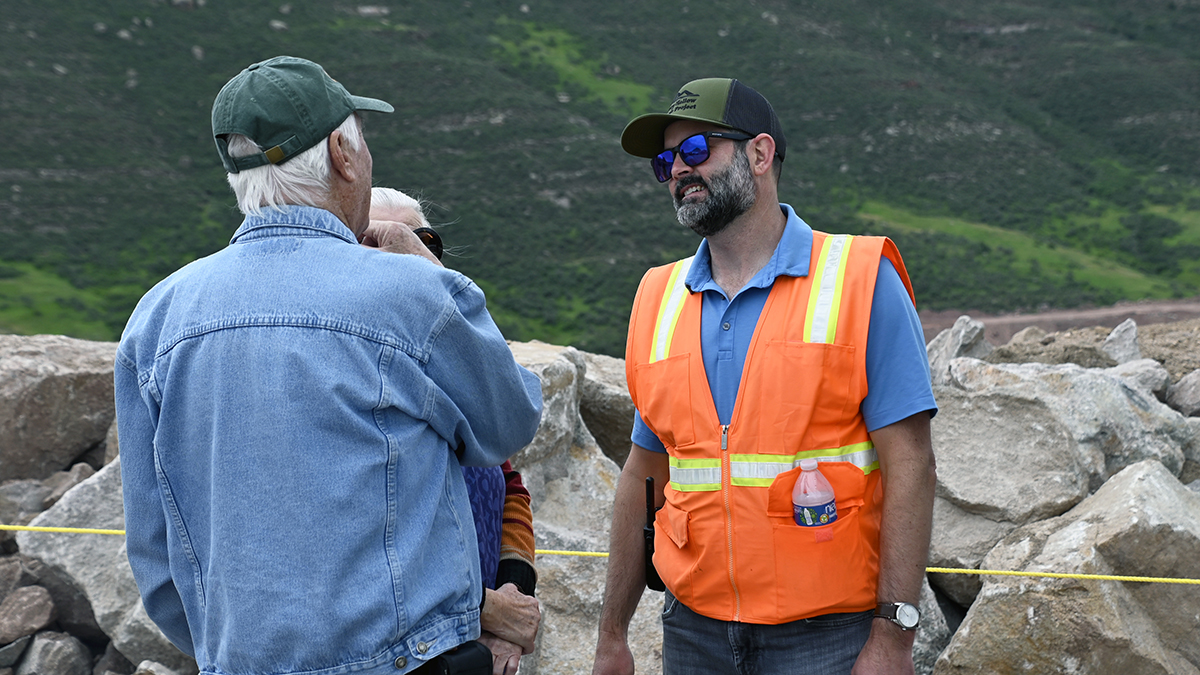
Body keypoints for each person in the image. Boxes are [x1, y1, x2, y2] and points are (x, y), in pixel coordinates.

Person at [115, 56, 544, 675]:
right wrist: (432, 271)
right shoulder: (411, 296)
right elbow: (509, 424)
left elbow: (155, 554)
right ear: (344, 154)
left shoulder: (155, 319)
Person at [591, 78, 938, 675]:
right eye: (666, 160)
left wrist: (894, 637)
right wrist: (612, 634)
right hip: (693, 631)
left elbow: (912, 464)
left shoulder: (859, 278)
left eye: (696, 149)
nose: (679, 170)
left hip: (829, 637)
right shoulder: (657, 296)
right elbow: (645, 471)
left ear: (760, 153)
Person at [370, 187, 540, 675]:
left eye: (422, 240)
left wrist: (513, 593)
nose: (407, 255)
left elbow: (508, 485)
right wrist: (488, 612)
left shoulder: (458, 372)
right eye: (379, 240)